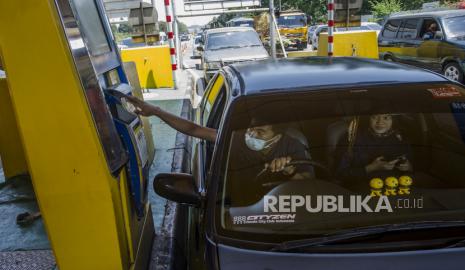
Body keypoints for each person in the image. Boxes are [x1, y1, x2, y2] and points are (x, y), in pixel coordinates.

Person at [125, 95, 313, 180]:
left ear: (278, 137)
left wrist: (291, 173)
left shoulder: (294, 148)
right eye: (251, 129)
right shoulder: (237, 139)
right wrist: (156, 111)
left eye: (261, 132)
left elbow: (308, 184)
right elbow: (194, 129)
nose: (252, 135)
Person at [337, 114, 412, 191]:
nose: (380, 122)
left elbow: (414, 169)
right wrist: (371, 168)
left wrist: (408, 167)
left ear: (393, 120)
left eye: (386, 118)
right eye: (374, 117)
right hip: (363, 191)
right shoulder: (352, 139)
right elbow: (340, 174)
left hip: (396, 190)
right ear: (368, 118)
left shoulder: (401, 138)